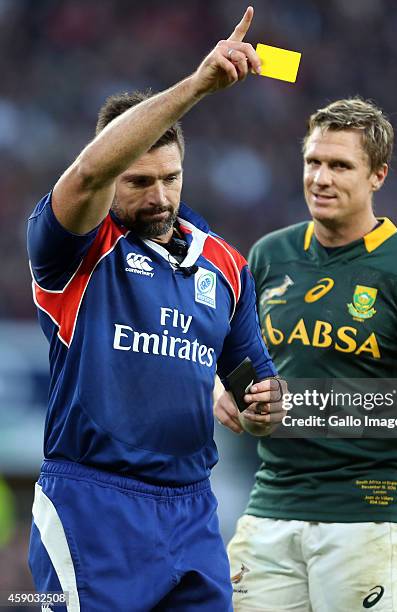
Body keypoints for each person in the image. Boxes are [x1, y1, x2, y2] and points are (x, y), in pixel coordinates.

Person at [26, 7, 283, 611]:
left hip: (193, 510)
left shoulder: (225, 266)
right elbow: (90, 170)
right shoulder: (73, 248)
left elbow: (257, 387)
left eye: (171, 177)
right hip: (93, 506)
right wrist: (198, 85)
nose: (160, 196)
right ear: (114, 177)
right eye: (139, 181)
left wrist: (266, 409)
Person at [215, 98, 397, 612]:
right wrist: (229, 394)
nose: (321, 178)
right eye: (313, 162)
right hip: (269, 511)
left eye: (340, 165)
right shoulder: (269, 254)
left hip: (370, 517)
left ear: (378, 175)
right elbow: (236, 362)